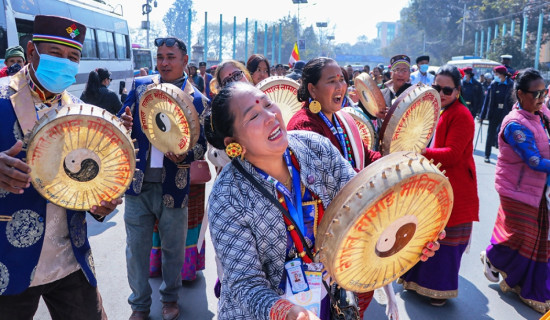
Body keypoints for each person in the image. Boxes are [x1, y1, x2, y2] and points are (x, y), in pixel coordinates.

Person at [205, 81, 442, 320]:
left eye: (268, 104)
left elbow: (362, 209)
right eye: (254, 115)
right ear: (233, 143)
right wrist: (289, 313)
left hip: (329, 299)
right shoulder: (228, 195)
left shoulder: (316, 148)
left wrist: (405, 235)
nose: (271, 116)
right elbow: (245, 283)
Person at [0, 15, 122, 319]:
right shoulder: (1, 99)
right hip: (8, 259)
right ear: (31, 52)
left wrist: (99, 205)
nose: (65, 62)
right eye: (55, 53)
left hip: (70, 257)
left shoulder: (79, 114)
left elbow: (86, 177)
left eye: (73, 57)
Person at [287, 57, 399, 319]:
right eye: (331, 81)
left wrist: (393, 164)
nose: (340, 86)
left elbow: (361, 154)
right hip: (324, 227)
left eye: (342, 80)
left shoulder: (341, 119)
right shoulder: (303, 126)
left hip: (354, 211)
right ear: (312, 89)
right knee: (332, 300)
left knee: (355, 295)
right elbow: (318, 184)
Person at [118, 36, 208, 320]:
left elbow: (202, 145)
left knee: (173, 249)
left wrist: (186, 156)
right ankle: (140, 305)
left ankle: (170, 299)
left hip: (175, 185)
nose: (164, 62)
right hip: (138, 184)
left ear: (184, 61)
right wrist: (125, 122)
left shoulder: (197, 100)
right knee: (136, 249)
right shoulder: (142, 87)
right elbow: (123, 118)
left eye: (170, 56)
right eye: (160, 57)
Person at [399, 64, 480, 307]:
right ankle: (414, 281)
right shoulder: (437, 110)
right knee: (425, 234)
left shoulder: (461, 115)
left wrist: (419, 151)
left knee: (444, 242)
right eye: (437, 87)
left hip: (454, 189)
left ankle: (438, 290)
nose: (441, 93)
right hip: (435, 184)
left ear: (457, 91)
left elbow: (453, 154)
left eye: (447, 89)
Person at [480, 68, 550, 314]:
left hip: (539, 189)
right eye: (537, 93)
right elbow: (532, 160)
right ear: (520, 94)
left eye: (544, 92)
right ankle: (493, 257)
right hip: (516, 189)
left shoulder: (542, 115)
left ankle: (527, 284)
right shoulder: (514, 125)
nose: (542, 98)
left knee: (539, 240)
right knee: (521, 237)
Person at [479, 65, 514, 163]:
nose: (495, 76)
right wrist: (482, 115)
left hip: (505, 113)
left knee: (503, 135)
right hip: (494, 112)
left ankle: (502, 156)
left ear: (503, 75)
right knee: (490, 134)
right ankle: (487, 155)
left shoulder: (511, 85)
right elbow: (487, 101)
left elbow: (513, 101)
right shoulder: (494, 85)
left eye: (497, 74)